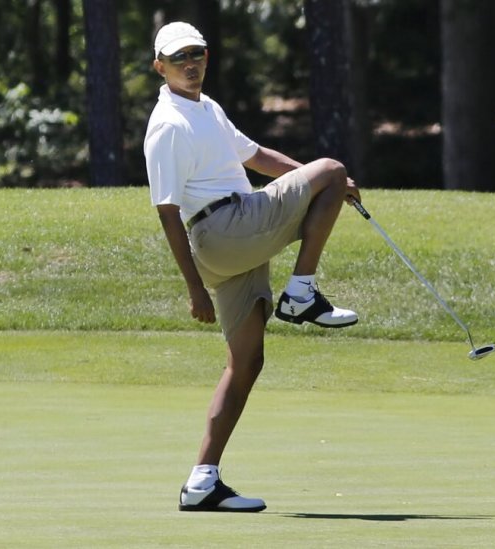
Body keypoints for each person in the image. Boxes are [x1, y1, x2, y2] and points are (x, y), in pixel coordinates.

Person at [144, 21, 361, 513]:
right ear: (160, 67)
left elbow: (257, 157)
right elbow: (167, 212)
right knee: (330, 168)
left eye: (197, 54)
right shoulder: (167, 125)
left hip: (238, 238)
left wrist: (321, 183)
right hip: (223, 231)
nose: (191, 64)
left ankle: (202, 481)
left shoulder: (209, 109)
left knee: (246, 362)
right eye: (179, 59)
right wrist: (194, 288)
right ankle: (301, 293)